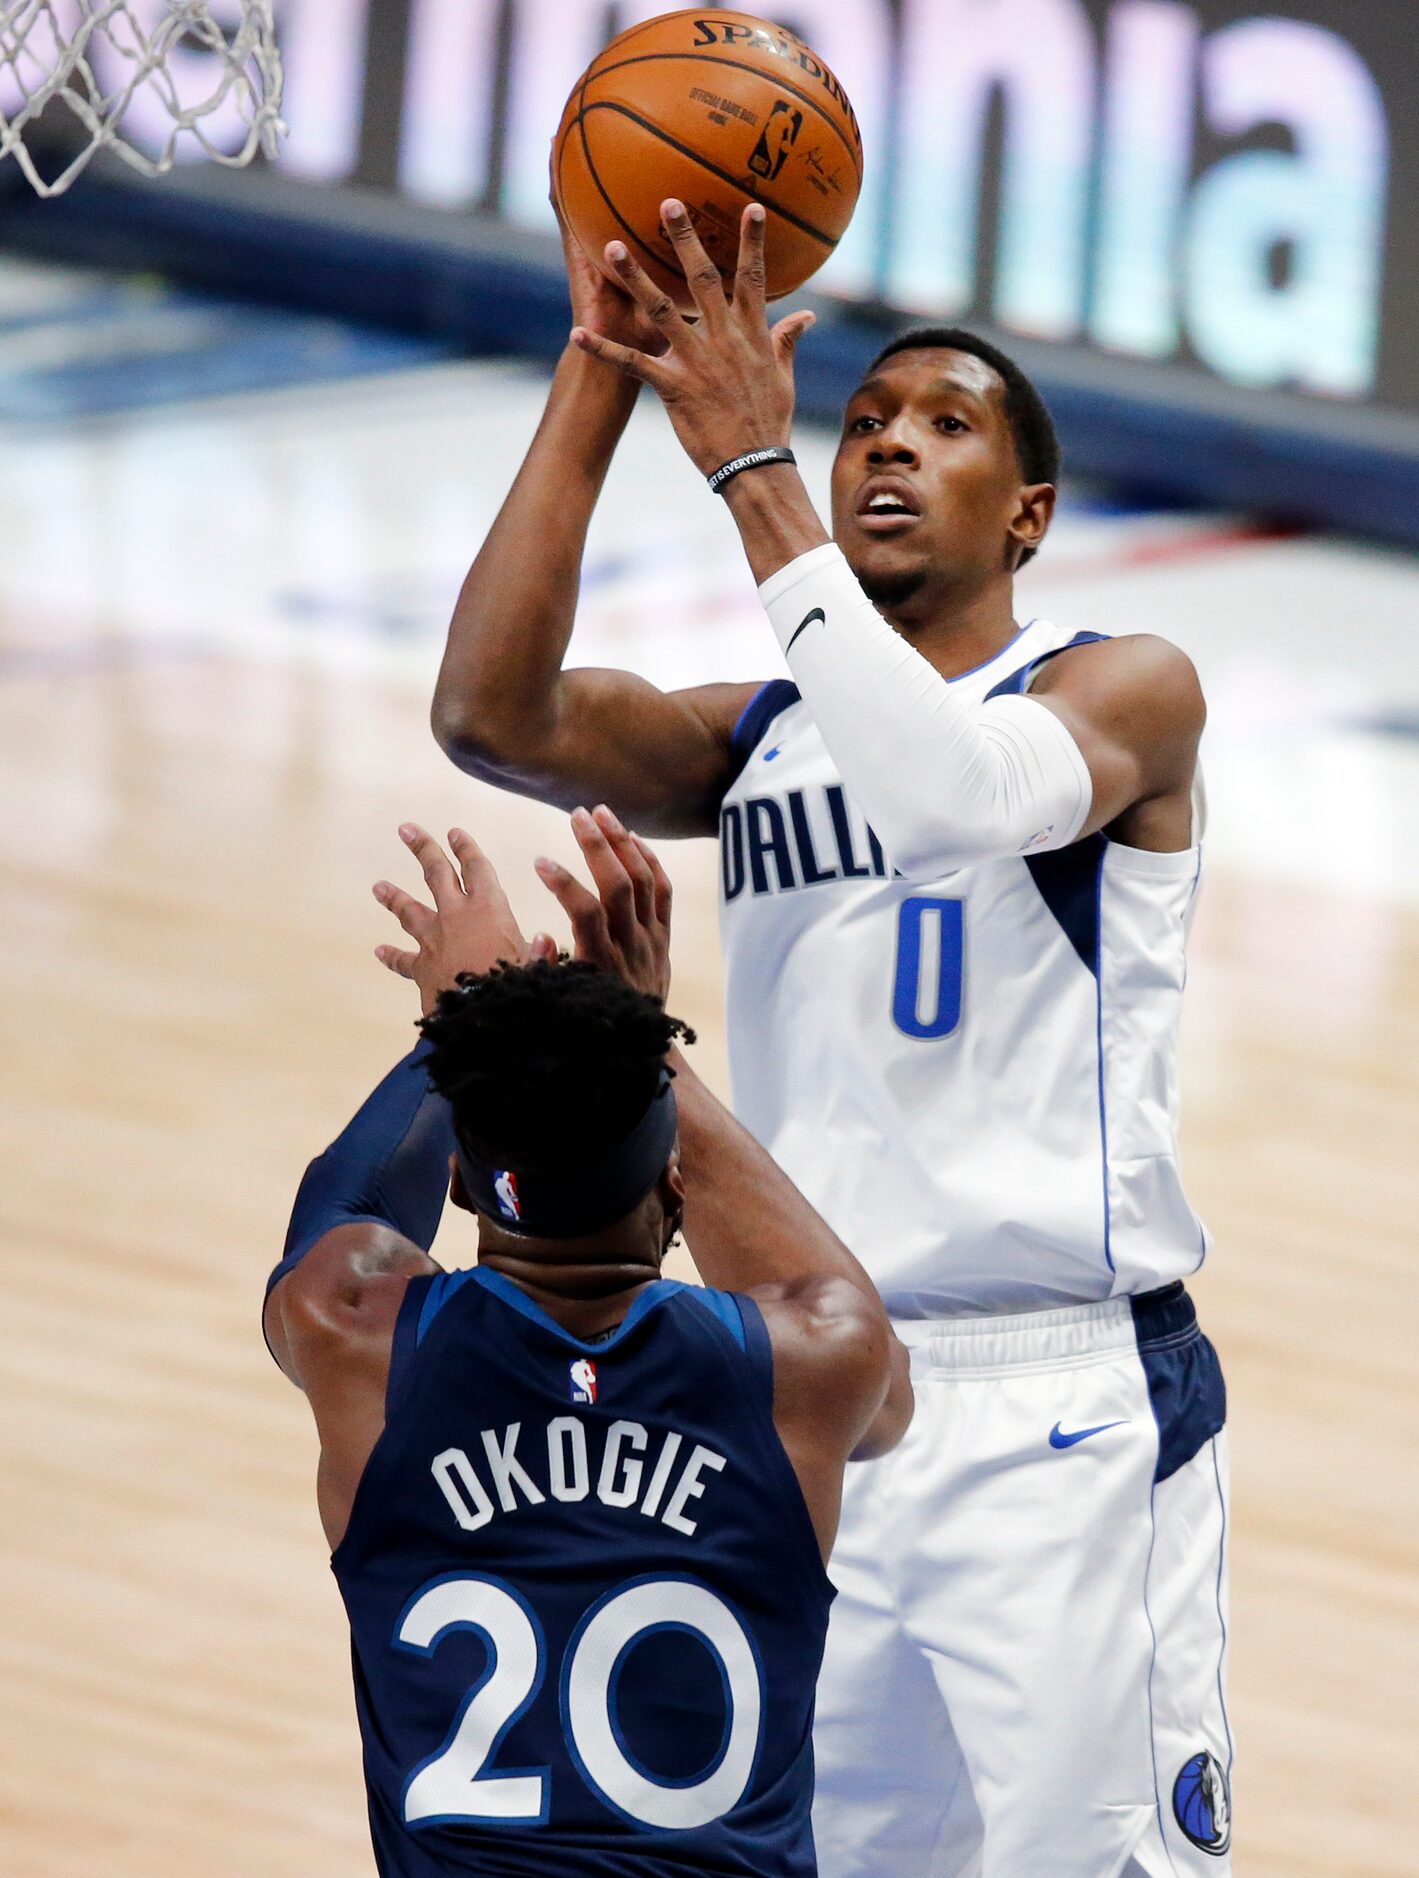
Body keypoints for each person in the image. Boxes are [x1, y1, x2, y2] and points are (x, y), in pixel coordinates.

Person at [428, 200, 1233, 1876]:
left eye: (942, 427)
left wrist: (749, 466)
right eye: (860, 418)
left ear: (1027, 512)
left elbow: (959, 787)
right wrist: (599, 367)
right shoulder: (761, 733)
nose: (882, 445)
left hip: (1059, 1403)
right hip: (817, 1392)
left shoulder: (1120, 687)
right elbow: (489, 714)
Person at [263, 805, 912, 1878]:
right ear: (675, 1185)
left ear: (468, 1185)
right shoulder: (808, 1364)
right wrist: (638, 1030)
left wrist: (472, 1021)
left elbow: (348, 1211)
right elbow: (846, 1326)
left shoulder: (355, 1335)